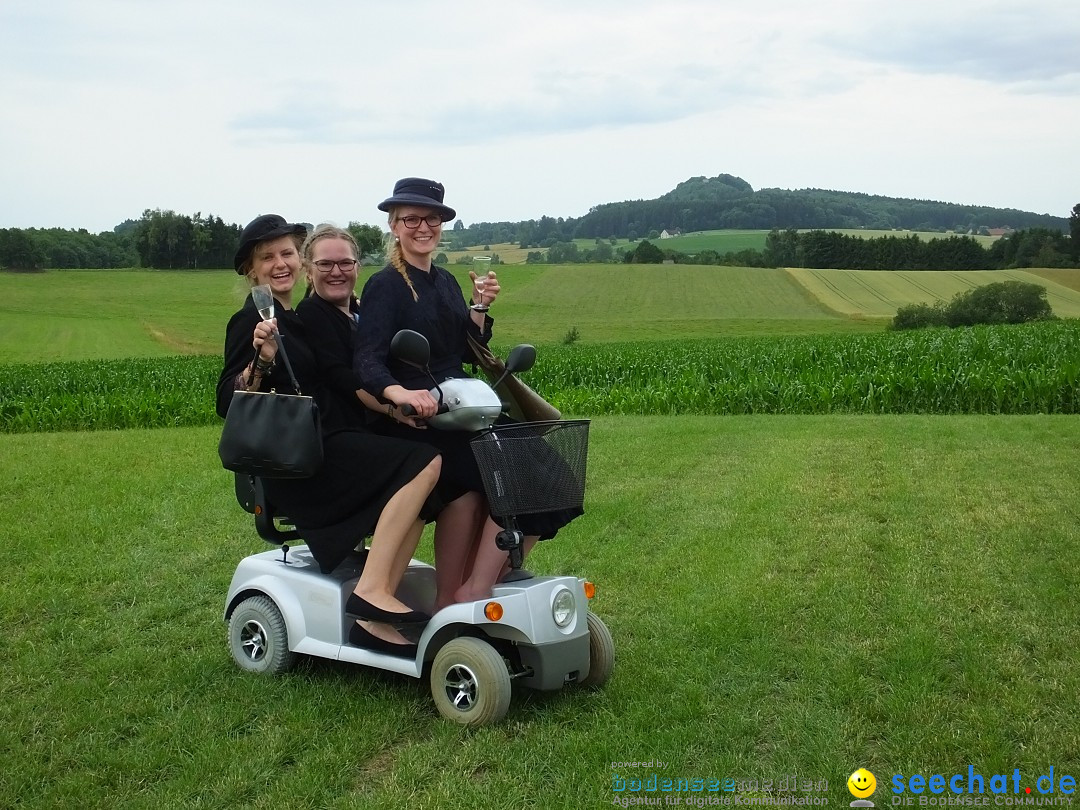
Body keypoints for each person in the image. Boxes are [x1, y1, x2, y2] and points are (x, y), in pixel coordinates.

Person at [216, 214, 441, 657]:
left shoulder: (293, 317)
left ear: (298, 261)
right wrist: (261, 361)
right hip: (300, 462)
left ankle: (373, 618)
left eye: (286, 254)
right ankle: (371, 591)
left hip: (325, 444)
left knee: (428, 488)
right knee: (424, 461)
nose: (279, 264)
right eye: (267, 258)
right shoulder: (253, 319)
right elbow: (228, 401)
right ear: (251, 270)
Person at [354, 179, 581, 607]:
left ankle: (474, 586)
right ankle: (462, 594)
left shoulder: (445, 282)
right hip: (421, 418)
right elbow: (367, 360)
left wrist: (478, 309)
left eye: (433, 218)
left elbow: (463, 352)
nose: (424, 227)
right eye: (412, 219)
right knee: (492, 477)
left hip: (463, 408)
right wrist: (400, 393)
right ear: (395, 225)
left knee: (550, 474)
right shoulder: (385, 285)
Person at [296, 222, 488, 609]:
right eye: (325, 264)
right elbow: (347, 377)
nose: (337, 272)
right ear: (308, 269)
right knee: (424, 463)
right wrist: (396, 406)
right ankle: (375, 593)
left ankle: (440, 589)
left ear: (357, 267)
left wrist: (478, 308)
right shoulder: (313, 315)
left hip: (374, 424)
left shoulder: (360, 312)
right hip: (344, 432)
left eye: (346, 263)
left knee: (458, 479)